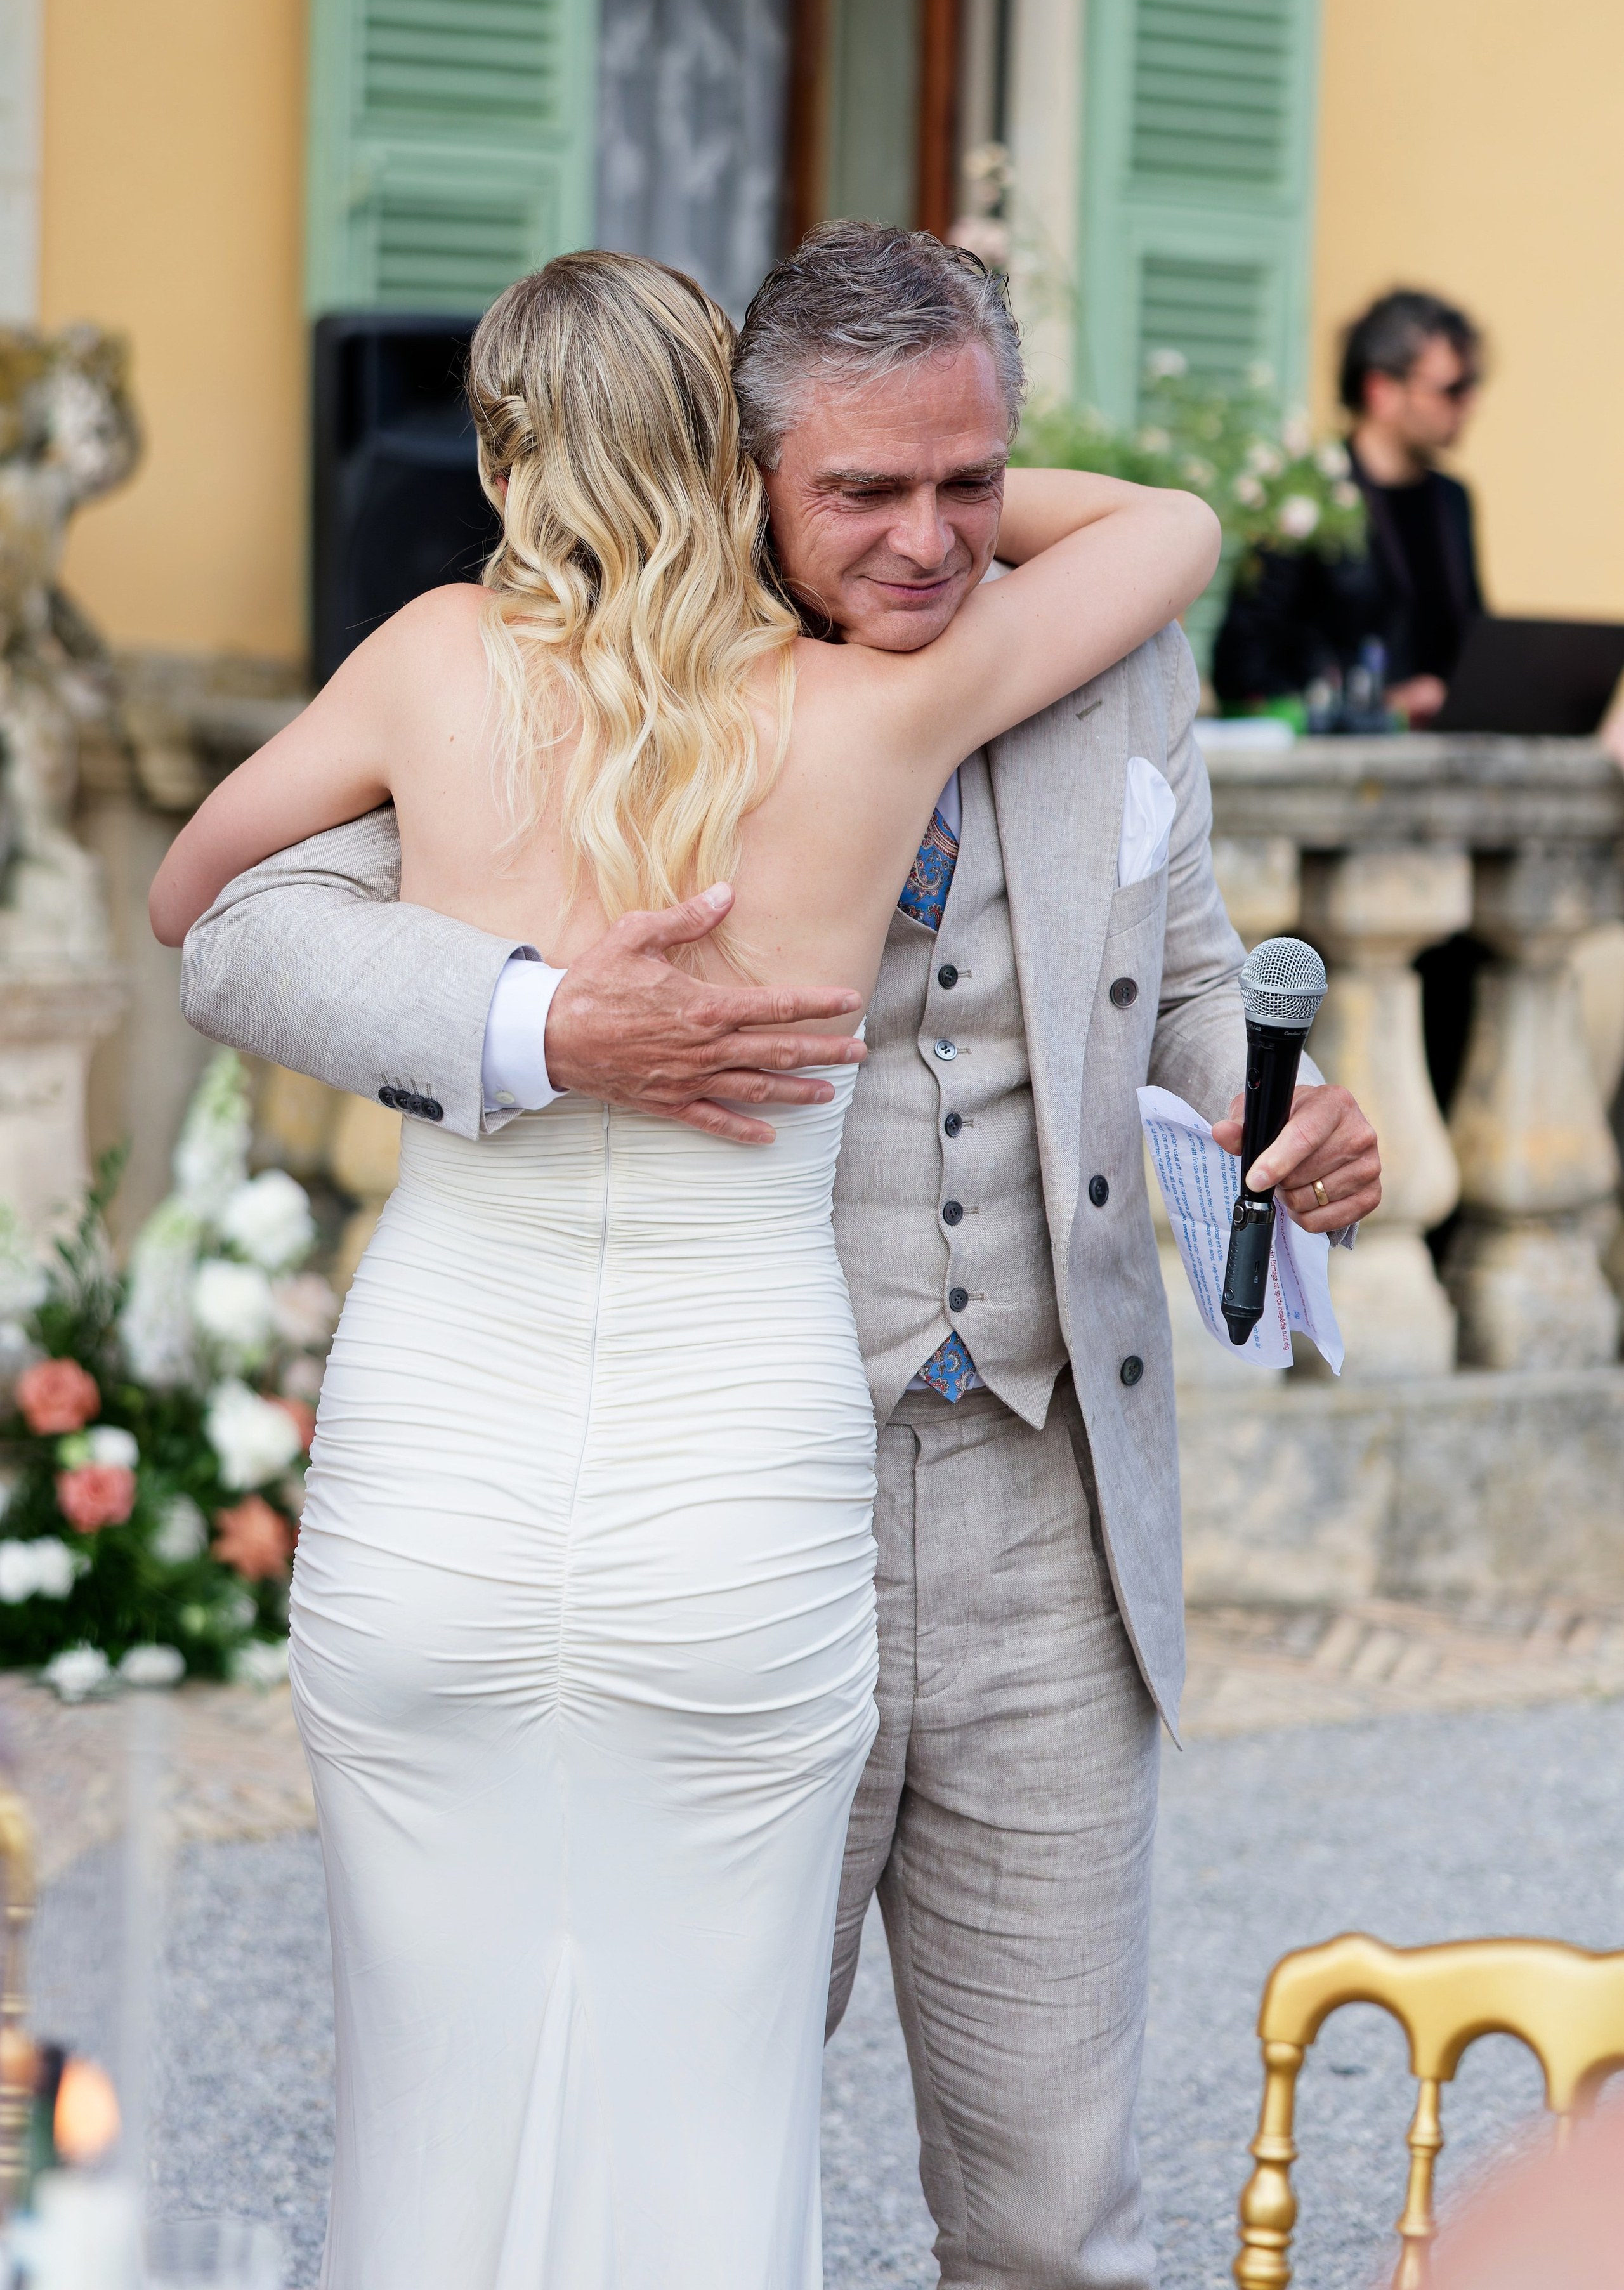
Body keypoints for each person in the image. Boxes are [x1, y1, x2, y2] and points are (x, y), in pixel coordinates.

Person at [175, 225, 1381, 2290]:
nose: (932, 541)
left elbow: (1186, 982)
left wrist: (1287, 1109)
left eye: (973, 481)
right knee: (686, 2122)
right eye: (867, 489)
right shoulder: (581, 677)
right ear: (740, 475)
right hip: (741, 1485)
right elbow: (254, 925)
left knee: (1054, 2212)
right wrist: (536, 1018)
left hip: (1043, 1507)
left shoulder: (1101, 666)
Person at [1214, 287, 1485, 725]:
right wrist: (1379, 707)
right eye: (1453, 389)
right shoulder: (1304, 495)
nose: (1470, 405)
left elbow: (1472, 638)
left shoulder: (1452, 499)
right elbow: (1243, 667)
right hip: (1340, 755)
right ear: (1381, 390)